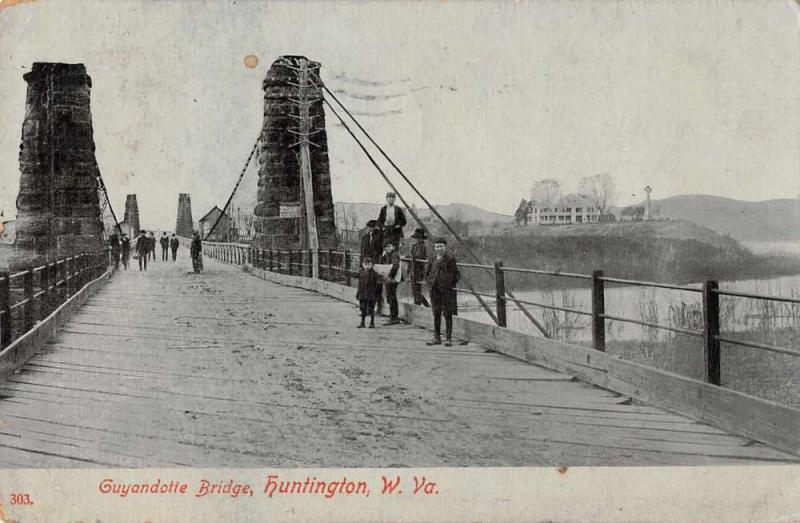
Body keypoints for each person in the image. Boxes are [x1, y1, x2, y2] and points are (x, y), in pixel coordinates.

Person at [425, 237, 460, 346]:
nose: (439, 248)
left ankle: (448, 338)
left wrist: (448, 284)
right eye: (437, 246)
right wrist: (429, 283)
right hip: (434, 289)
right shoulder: (432, 258)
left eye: (441, 246)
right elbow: (427, 272)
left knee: (447, 313)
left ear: (445, 247)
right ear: (434, 247)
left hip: (445, 291)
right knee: (436, 313)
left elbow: (456, 275)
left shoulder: (450, 259)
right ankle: (437, 337)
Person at [379, 240, 401, 325]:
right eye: (386, 247)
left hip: (392, 278)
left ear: (393, 246)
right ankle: (393, 316)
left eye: (389, 246)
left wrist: (390, 277)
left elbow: (395, 266)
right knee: (390, 296)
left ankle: (394, 317)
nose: (387, 248)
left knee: (392, 297)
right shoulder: (388, 254)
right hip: (389, 278)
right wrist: (383, 256)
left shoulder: (395, 254)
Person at [356, 257, 380, 329]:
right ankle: (362, 322)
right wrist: (358, 293)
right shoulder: (360, 273)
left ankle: (372, 323)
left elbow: (377, 284)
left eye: (369, 264)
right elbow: (359, 284)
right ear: (363, 265)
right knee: (363, 308)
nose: (367, 266)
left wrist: (376, 294)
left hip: (371, 294)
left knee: (371, 309)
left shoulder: (375, 274)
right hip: (363, 293)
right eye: (366, 265)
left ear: (372, 265)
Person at [409, 227, 430, 307]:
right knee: (415, 290)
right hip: (413, 269)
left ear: (421, 238)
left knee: (416, 290)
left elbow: (418, 257)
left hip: (418, 270)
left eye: (418, 238)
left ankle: (424, 305)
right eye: (416, 238)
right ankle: (419, 305)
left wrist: (409, 257)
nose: (417, 240)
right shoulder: (415, 246)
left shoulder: (422, 247)